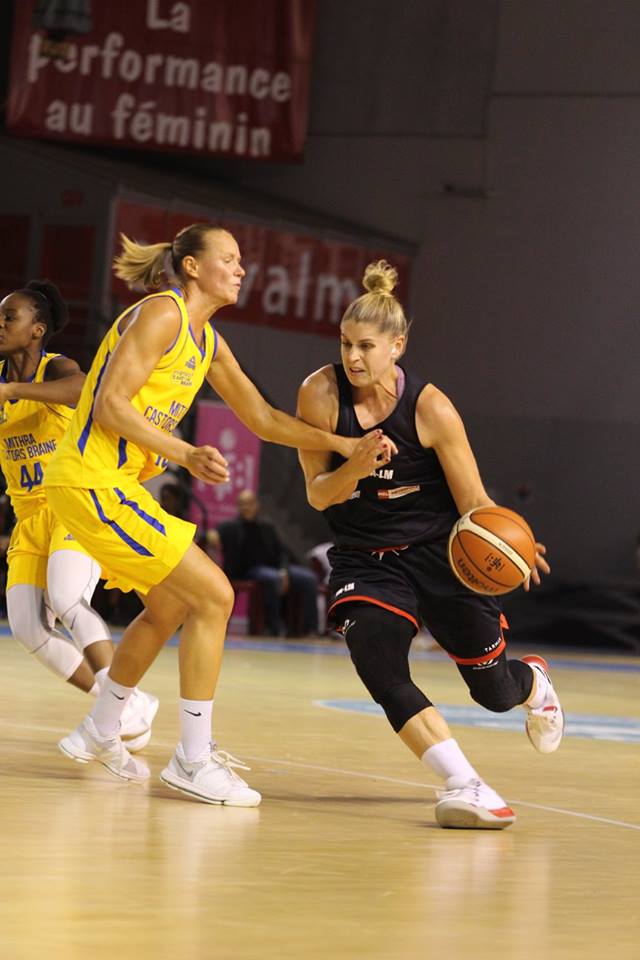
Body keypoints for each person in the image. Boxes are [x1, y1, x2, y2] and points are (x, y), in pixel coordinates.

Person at [44, 223, 391, 806]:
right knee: (215, 596)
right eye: (228, 259)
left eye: (239, 260)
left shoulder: (205, 341)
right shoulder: (163, 313)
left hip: (107, 485)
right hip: (90, 479)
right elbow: (108, 406)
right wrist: (184, 453)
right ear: (192, 267)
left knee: (171, 605)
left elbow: (263, 418)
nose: (240, 269)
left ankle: (99, 729)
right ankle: (192, 759)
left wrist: (342, 444)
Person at [296, 260, 562, 830]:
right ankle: (466, 783)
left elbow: (473, 500)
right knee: (377, 662)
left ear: (397, 346)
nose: (352, 357)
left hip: (441, 556)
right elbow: (318, 495)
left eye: (366, 346)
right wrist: (356, 466)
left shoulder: (431, 407)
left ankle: (533, 681)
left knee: (494, 691)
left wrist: (511, 543)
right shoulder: (320, 394)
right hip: (365, 557)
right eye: (345, 344)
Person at [0, 280, 156, 750]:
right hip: (29, 515)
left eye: (9, 317)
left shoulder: (56, 367)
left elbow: (83, 389)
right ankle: (126, 704)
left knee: (68, 597)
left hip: (72, 503)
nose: (0, 324)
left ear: (37, 329)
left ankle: (115, 709)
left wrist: (12, 390)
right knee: (28, 629)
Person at [211, 489, 319, 636]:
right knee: (273, 578)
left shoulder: (267, 526)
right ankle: (273, 627)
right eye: (242, 504)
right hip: (248, 570)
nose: (246, 507)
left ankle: (310, 629)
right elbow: (208, 534)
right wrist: (211, 534)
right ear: (238, 506)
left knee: (309, 579)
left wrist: (284, 570)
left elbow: (282, 552)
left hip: (275, 568)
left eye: (249, 503)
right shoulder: (229, 527)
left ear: (256, 505)